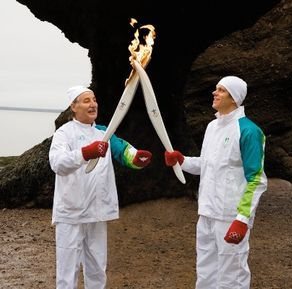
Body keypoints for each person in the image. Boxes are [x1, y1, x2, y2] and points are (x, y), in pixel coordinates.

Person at [164, 76, 267, 289]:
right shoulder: (213, 126)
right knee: (206, 273)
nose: (215, 93)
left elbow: (256, 179)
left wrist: (242, 219)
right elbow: (208, 165)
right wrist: (182, 161)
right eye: (216, 88)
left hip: (230, 215)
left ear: (235, 98)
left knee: (232, 275)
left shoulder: (249, 131)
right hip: (207, 213)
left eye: (221, 90)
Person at [49, 85, 152, 289]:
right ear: (73, 106)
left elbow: (122, 150)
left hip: (97, 212)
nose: (93, 104)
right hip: (71, 212)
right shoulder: (64, 133)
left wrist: (136, 158)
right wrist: (85, 153)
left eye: (94, 99)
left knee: (97, 268)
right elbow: (57, 163)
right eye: (86, 100)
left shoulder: (103, 133)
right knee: (67, 271)